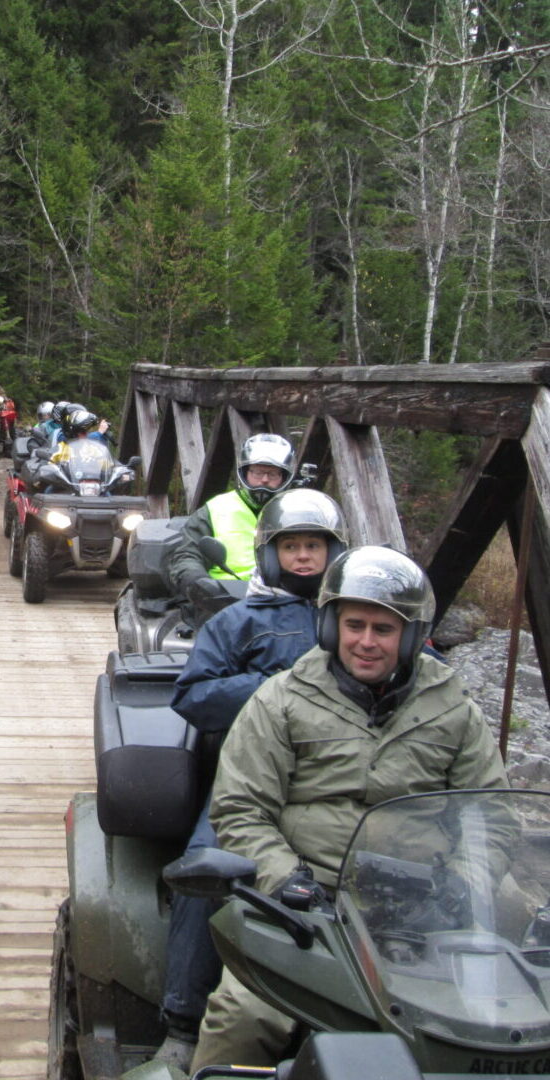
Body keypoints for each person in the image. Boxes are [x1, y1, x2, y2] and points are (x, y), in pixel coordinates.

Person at [189, 545, 510, 1072]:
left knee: (509, 1012)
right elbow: (241, 807)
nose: (365, 642)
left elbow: (493, 813)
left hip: (425, 905)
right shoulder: (281, 699)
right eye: (353, 624)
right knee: (244, 1017)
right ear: (329, 625)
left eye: (383, 629)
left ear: (409, 636)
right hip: (308, 903)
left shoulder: (452, 706)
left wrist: (465, 882)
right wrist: (283, 878)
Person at [153, 489, 348, 1070]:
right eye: (293, 546)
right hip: (250, 779)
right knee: (204, 873)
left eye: (315, 545)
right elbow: (193, 697)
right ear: (270, 554)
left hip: (342, 784)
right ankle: (182, 1022)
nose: (305, 557)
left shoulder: (361, 620)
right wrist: (279, 686)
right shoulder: (239, 621)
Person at [164, 433, 296, 616]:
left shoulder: (299, 511)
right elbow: (187, 554)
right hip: (223, 603)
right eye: (257, 472)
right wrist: (198, 582)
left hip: (288, 601)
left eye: (273, 473)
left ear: (285, 476)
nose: (264, 480)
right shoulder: (215, 509)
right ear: (244, 473)